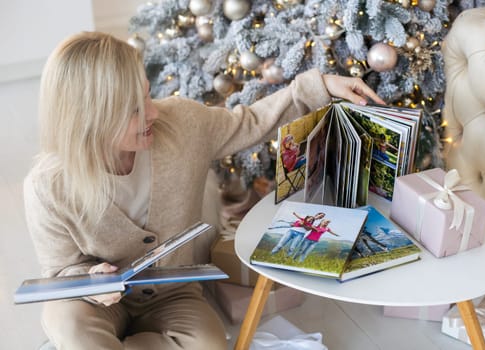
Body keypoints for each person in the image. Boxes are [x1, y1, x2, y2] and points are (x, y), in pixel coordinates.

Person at [23, 31, 385, 349]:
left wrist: (320, 85)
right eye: (134, 109)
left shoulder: (181, 122)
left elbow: (251, 122)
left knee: (208, 343)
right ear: (91, 118)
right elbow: (59, 272)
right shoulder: (47, 187)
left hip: (172, 294)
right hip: (95, 303)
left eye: (147, 96)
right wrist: (89, 281)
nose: (152, 112)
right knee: (66, 324)